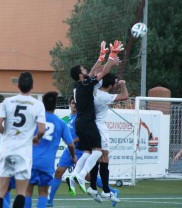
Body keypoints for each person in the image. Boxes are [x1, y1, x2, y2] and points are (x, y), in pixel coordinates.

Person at [67, 40, 123, 197]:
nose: (87, 70)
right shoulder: (86, 85)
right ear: (80, 75)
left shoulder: (79, 86)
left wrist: (102, 55)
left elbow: (92, 71)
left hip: (80, 123)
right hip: (88, 122)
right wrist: (112, 55)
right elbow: (103, 72)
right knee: (98, 152)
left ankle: (72, 176)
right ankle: (81, 175)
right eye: (83, 69)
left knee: (86, 152)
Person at [0, 71, 46, 208]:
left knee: (0, 191)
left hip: (7, 149)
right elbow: (41, 130)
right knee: (21, 192)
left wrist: (5, 134)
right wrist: (36, 138)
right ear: (32, 85)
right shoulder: (38, 105)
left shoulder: (7, 101)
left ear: (18, 85)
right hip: (23, 152)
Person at [24, 91, 77, 208]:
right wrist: (73, 156)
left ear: (43, 104)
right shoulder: (61, 123)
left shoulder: (35, 119)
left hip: (31, 161)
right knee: (43, 193)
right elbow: (71, 144)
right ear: (55, 106)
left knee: (27, 192)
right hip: (46, 164)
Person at [87, 73, 128, 204]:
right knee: (104, 158)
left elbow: (100, 74)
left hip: (91, 127)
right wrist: (123, 85)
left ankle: (93, 187)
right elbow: (125, 96)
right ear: (110, 85)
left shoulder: (93, 89)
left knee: (96, 157)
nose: (116, 85)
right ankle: (105, 191)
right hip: (99, 127)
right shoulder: (105, 96)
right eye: (115, 83)